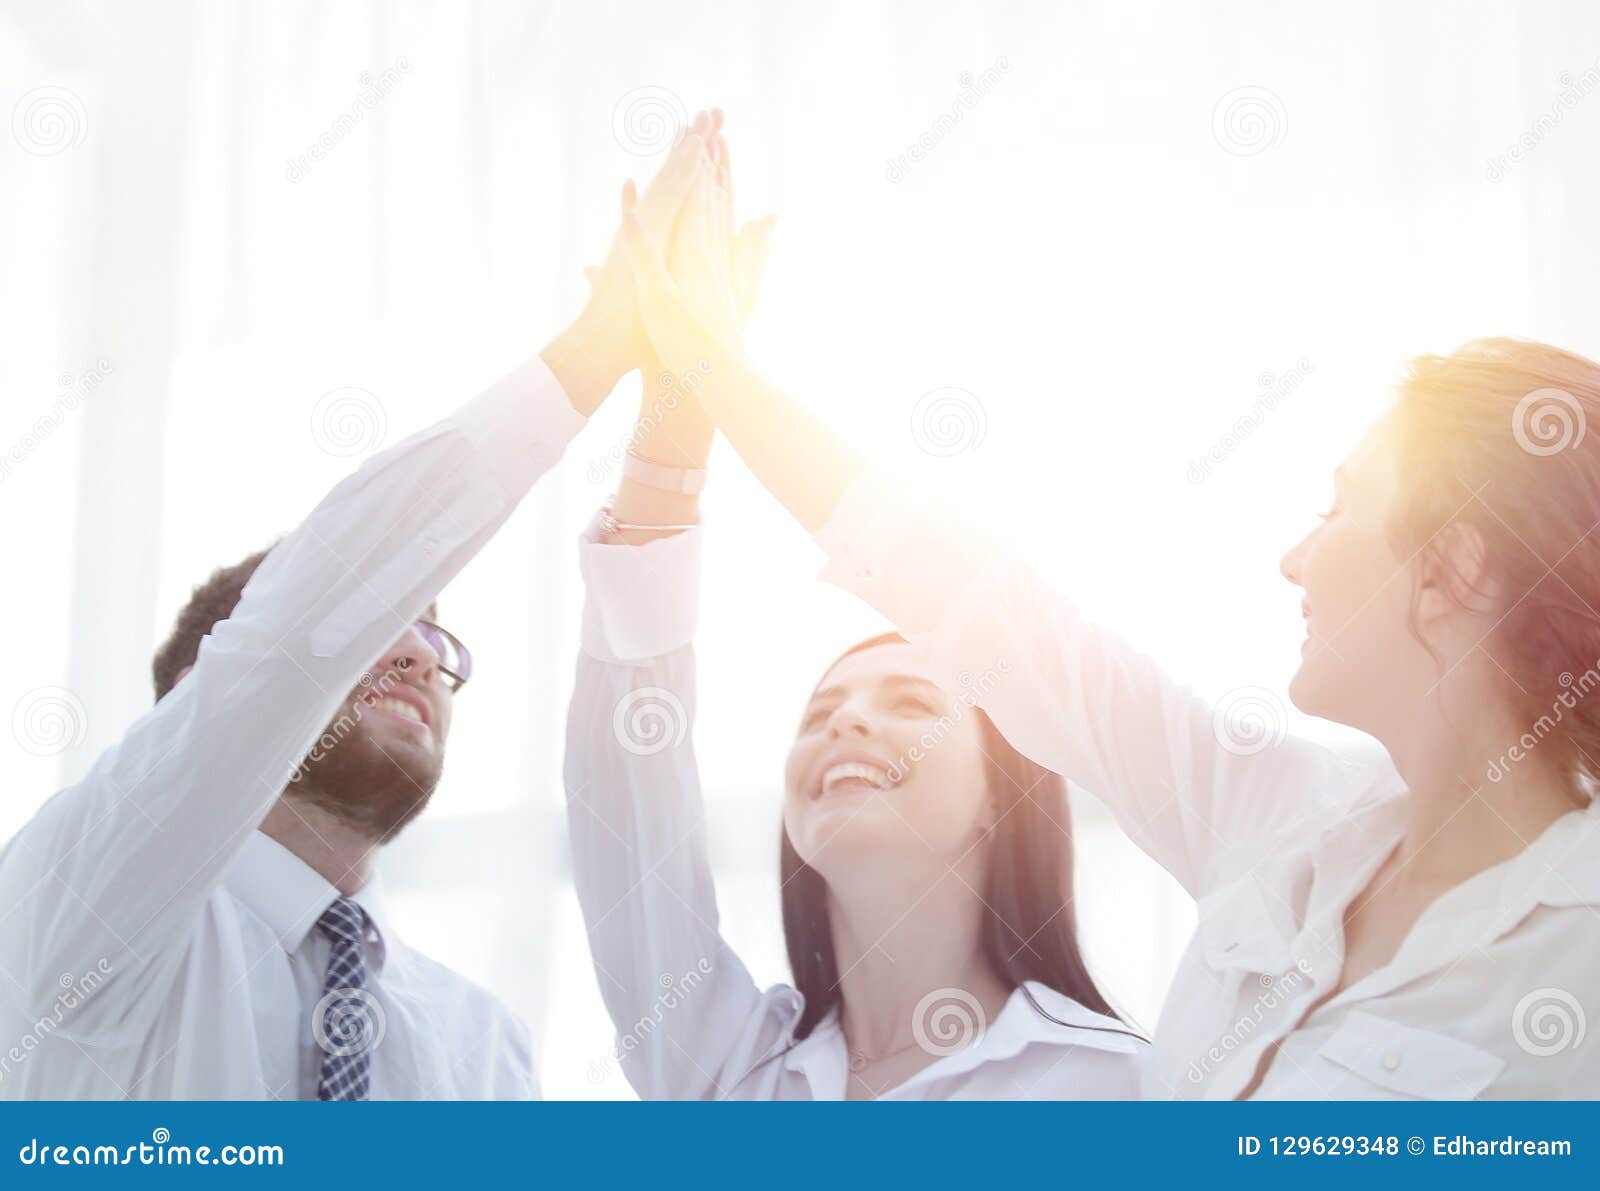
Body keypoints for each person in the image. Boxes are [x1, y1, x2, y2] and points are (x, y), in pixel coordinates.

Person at [609, 125, 1600, 1099]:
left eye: (1337, 509)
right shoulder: (1284, 820)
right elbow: (982, 601)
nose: (1294, 556)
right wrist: (707, 369)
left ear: (1451, 572)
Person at [0, 121, 715, 1100]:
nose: (421, 657)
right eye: (386, 621)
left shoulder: (483, 1044)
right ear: (201, 688)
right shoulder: (82, 911)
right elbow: (296, 630)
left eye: (436, 638)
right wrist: (600, 349)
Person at [563, 125, 1146, 1100]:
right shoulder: (731, 1073)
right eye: (821, 716)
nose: (850, 723)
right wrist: (676, 401)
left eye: (911, 703)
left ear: (1004, 799)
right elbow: (625, 802)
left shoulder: (1119, 1087)